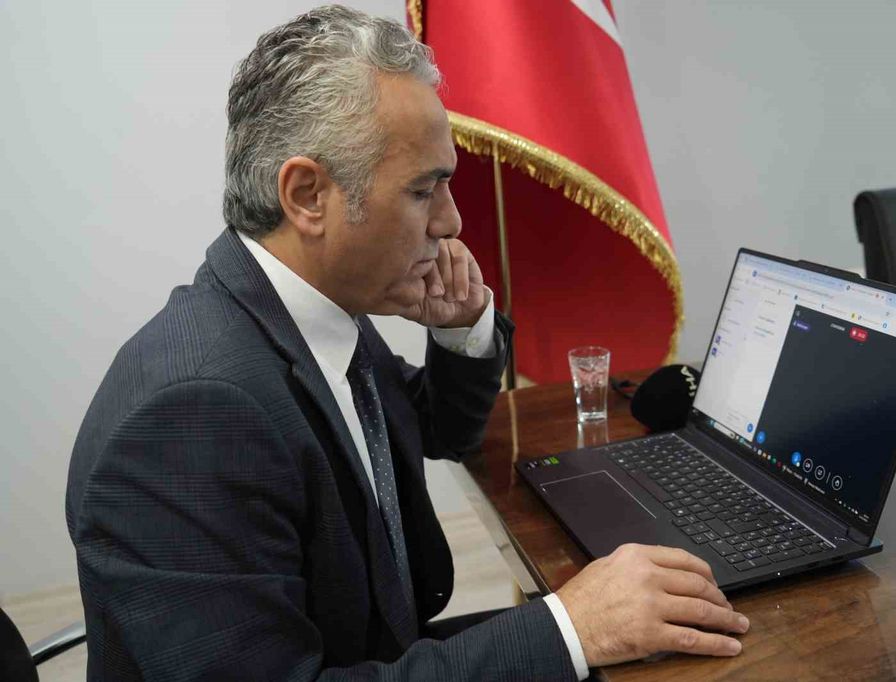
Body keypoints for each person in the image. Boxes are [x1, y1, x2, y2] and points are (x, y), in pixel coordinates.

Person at [65, 5, 749, 680]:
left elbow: (433, 430)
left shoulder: (306, 312)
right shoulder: (192, 414)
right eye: (424, 191)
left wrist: (459, 330)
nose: (451, 223)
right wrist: (571, 628)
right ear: (307, 196)